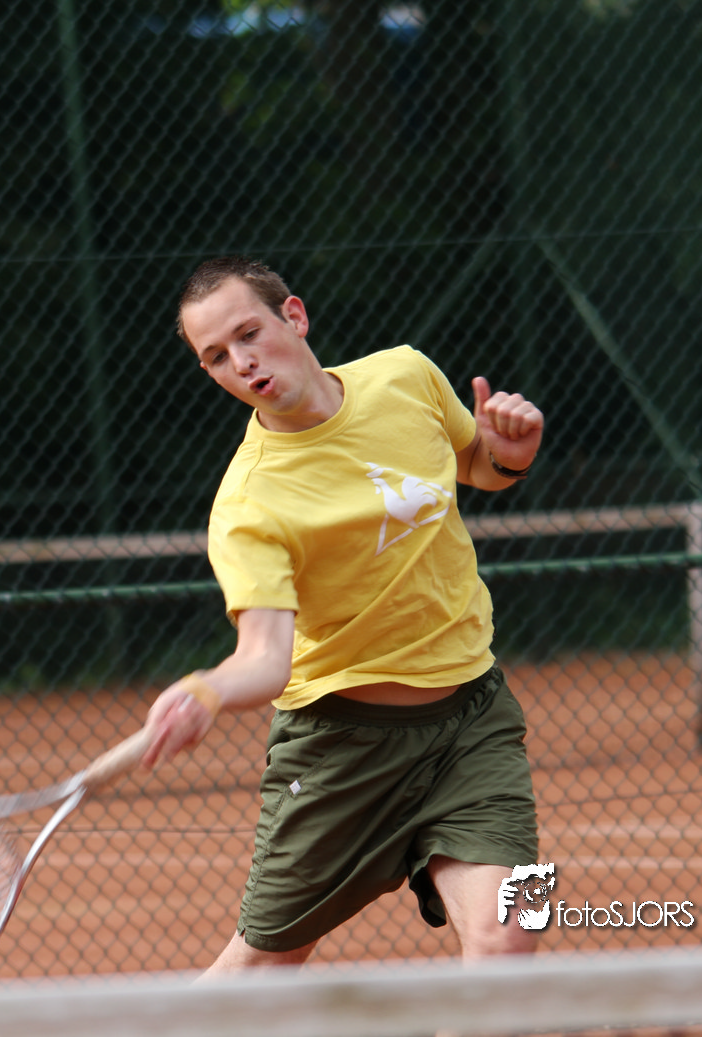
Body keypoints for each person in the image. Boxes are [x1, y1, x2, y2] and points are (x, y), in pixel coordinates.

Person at [141, 255, 545, 973]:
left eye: (248, 333)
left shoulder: (407, 375)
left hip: (472, 719)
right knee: (261, 972)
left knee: (509, 939)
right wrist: (208, 689)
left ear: (293, 316)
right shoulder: (249, 504)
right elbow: (264, 657)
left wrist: (510, 455)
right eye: (217, 356)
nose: (242, 362)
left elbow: (473, 466)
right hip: (341, 750)